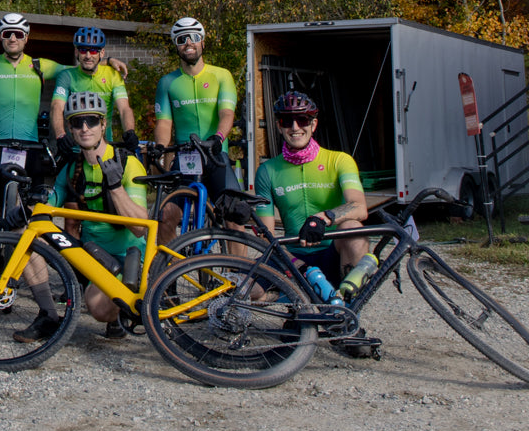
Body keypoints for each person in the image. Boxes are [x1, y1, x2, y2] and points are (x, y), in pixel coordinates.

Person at [16, 90, 147, 344]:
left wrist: (116, 187)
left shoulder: (127, 163)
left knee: (98, 308)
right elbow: (49, 205)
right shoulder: (73, 167)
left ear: (103, 125)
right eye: (77, 122)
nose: (85, 128)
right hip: (91, 255)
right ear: (71, 129)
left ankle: (121, 312)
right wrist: (24, 212)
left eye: (92, 121)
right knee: (25, 233)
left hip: (126, 256)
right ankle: (48, 315)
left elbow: (140, 228)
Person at [253, 90, 375, 296]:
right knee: (247, 291)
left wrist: (324, 218)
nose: (295, 127)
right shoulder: (267, 171)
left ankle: (348, 310)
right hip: (292, 258)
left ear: (313, 124)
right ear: (278, 126)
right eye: (286, 121)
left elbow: (359, 207)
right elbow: (267, 236)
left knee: (354, 229)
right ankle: (288, 302)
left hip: (331, 253)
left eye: (302, 120)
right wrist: (297, 265)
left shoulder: (339, 161)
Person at [0, 12, 63, 215]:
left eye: (18, 34)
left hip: (31, 146)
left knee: (34, 214)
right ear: (0, 36)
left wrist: (108, 62)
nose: (13, 38)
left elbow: (77, 71)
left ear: (26, 37)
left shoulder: (39, 66)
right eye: (8, 34)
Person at [152, 16, 241, 241]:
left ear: (202, 42)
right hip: (185, 158)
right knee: (165, 215)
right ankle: (169, 272)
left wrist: (218, 138)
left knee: (235, 215)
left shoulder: (221, 76)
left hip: (215, 154)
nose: (188, 43)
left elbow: (227, 113)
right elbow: (164, 122)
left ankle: (239, 275)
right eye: (182, 39)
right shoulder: (167, 82)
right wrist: (160, 149)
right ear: (176, 46)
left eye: (194, 37)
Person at [49, 26, 136, 156]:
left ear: (102, 53)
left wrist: (129, 131)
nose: (88, 56)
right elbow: (56, 107)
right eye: (83, 50)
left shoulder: (113, 75)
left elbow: (124, 108)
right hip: (74, 148)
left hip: (104, 146)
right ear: (76, 52)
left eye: (94, 51)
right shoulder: (67, 76)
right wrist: (60, 135)